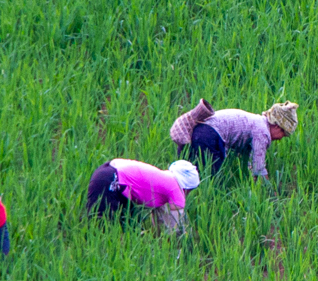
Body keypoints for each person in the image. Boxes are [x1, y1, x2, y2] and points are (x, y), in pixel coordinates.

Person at [168, 98, 299, 179]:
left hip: (203, 131)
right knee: (210, 178)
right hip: (210, 136)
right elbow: (258, 169)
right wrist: (271, 192)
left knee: (193, 171)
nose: (282, 138)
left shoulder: (257, 122)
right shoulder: (263, 132)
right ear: (277, 127)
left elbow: (249, 160)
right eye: (284, 134)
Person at [84, 156, 201, 235]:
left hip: (108, 172)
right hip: (111, 178)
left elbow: (160, 219)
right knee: (101, 225)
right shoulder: (176, 189)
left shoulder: (163, 183)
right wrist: (188, 243)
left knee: (126, 225)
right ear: (187, 188)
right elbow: (177, 227)